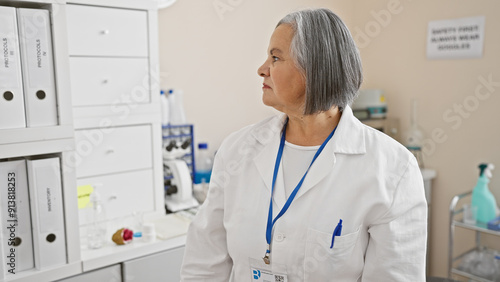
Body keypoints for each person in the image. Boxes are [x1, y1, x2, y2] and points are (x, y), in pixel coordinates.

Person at [181, 8, 427, 281]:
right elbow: (204, 264)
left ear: (315, 69)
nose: (262, 69)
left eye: (275, 58)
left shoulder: (393, 169)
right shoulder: (236, 151)